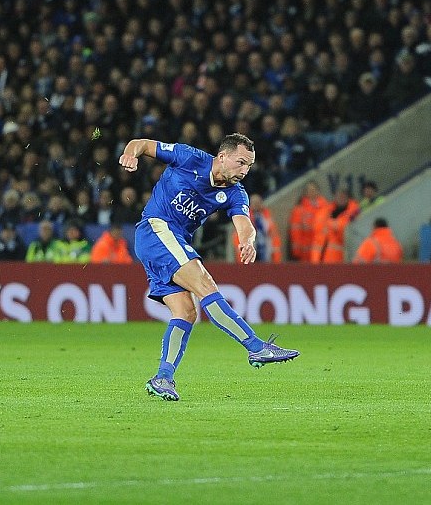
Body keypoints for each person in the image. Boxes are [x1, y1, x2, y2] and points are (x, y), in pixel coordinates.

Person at [118, 133, 299, 402]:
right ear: (222, 157)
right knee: (206, 284)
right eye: (240, 163)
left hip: (171, 241)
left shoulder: (235, 192)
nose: (244, 171)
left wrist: (248, 241)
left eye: (248, 166)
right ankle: (255, 346)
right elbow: (142, 144)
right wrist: (130, 153)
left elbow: (244, 223)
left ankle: (163, 378)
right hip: (156, 229)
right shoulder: (189, 157)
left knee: (186, 312)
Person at [310, 186, 361, 264]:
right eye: (338, 196)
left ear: (348, 198)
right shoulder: (326, 211)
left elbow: (346, 230)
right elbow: (317, 238)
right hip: (321, 258)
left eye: (343, 196)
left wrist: (330, 223)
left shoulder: (354, 212)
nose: (340, 198)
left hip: (340, 259)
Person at [233, 193, 282, 264]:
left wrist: (276, 258)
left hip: (266, 251)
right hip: (250, 250)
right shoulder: (244, 217)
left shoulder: (266, 216)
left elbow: (273, 235)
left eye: (258, 202)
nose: (256, 205)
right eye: (254, 203)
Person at [288, 180, 329, 262]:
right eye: (309, 190)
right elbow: (295, 231)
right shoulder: (299, 210)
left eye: (313, 190)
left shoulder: (326, 208)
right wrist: (296, 251)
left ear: (318, 191)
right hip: (305, 252)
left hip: (323, 250)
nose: (312, 192)